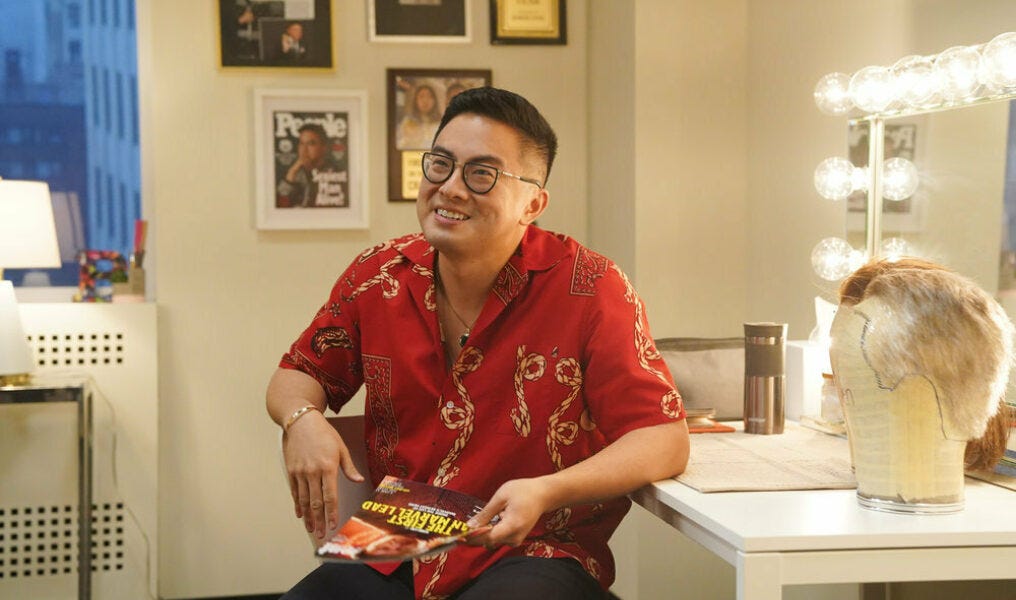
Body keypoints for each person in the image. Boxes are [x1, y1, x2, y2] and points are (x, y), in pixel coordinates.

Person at [267, 87, 690, 599]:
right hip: (399, 534)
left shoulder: (591, 288)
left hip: (535, 542)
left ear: (533, 203)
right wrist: (302, 420)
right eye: (440, 164)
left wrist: (547, 490)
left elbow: (662, 437)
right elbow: (297, 373)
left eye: (481, 174)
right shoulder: (378, 275)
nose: (450, 188)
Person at [276, 123, 347, 208]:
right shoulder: (294, 173)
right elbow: (280, 205)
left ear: (323, 147)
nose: (304, 149)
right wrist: (292, 172)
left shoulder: (336, 174)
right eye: (301, 143)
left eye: (310, 144)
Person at [396, 83, 442, 150]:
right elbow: (400, 145)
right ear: (415, 100)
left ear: (434, 100)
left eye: (429, 96)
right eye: (421, 96)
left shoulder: (441, 123)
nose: (425, 100)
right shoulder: (408, 122)